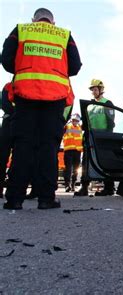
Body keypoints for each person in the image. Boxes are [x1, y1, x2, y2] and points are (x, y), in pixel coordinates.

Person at [1, 8, 82, 209]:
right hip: (54, 98)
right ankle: (46, 198)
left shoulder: (21, 30)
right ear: (52, 23)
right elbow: (75, 66)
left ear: (34, 20)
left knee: (22, 145)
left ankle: (14, 199)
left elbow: (6, 59)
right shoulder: (64, 35)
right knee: (48, 147)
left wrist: (25, 68)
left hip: (25, 95)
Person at [74, 79, 115, 197]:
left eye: (95, 89)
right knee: (86, 161)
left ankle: (109, 188)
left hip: (103, 136)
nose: (93, 92)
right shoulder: (90, 105)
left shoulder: (107, 103)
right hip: (90, 135)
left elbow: (110, 122)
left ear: (101, 90)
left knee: (105, 161)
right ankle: (84, 187)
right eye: (92, 90)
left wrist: (108, 136)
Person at [0, 83, 14, 198]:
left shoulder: (8, 86)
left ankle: (11, 187)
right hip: (19, 122)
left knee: (5, 155)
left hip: (10, 121)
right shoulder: (8, 86)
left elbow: (4, 105)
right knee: (3, 155)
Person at [62, 113, 82, 192]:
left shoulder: (79, 128)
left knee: (76, 169)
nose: (75, 121)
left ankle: (73, 185)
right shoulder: (67, 126)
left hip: (77, 151)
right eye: (74, 120)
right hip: (68, 150)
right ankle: (67, 185)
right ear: (71, 120)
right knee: (68, 169)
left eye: (77, 120)